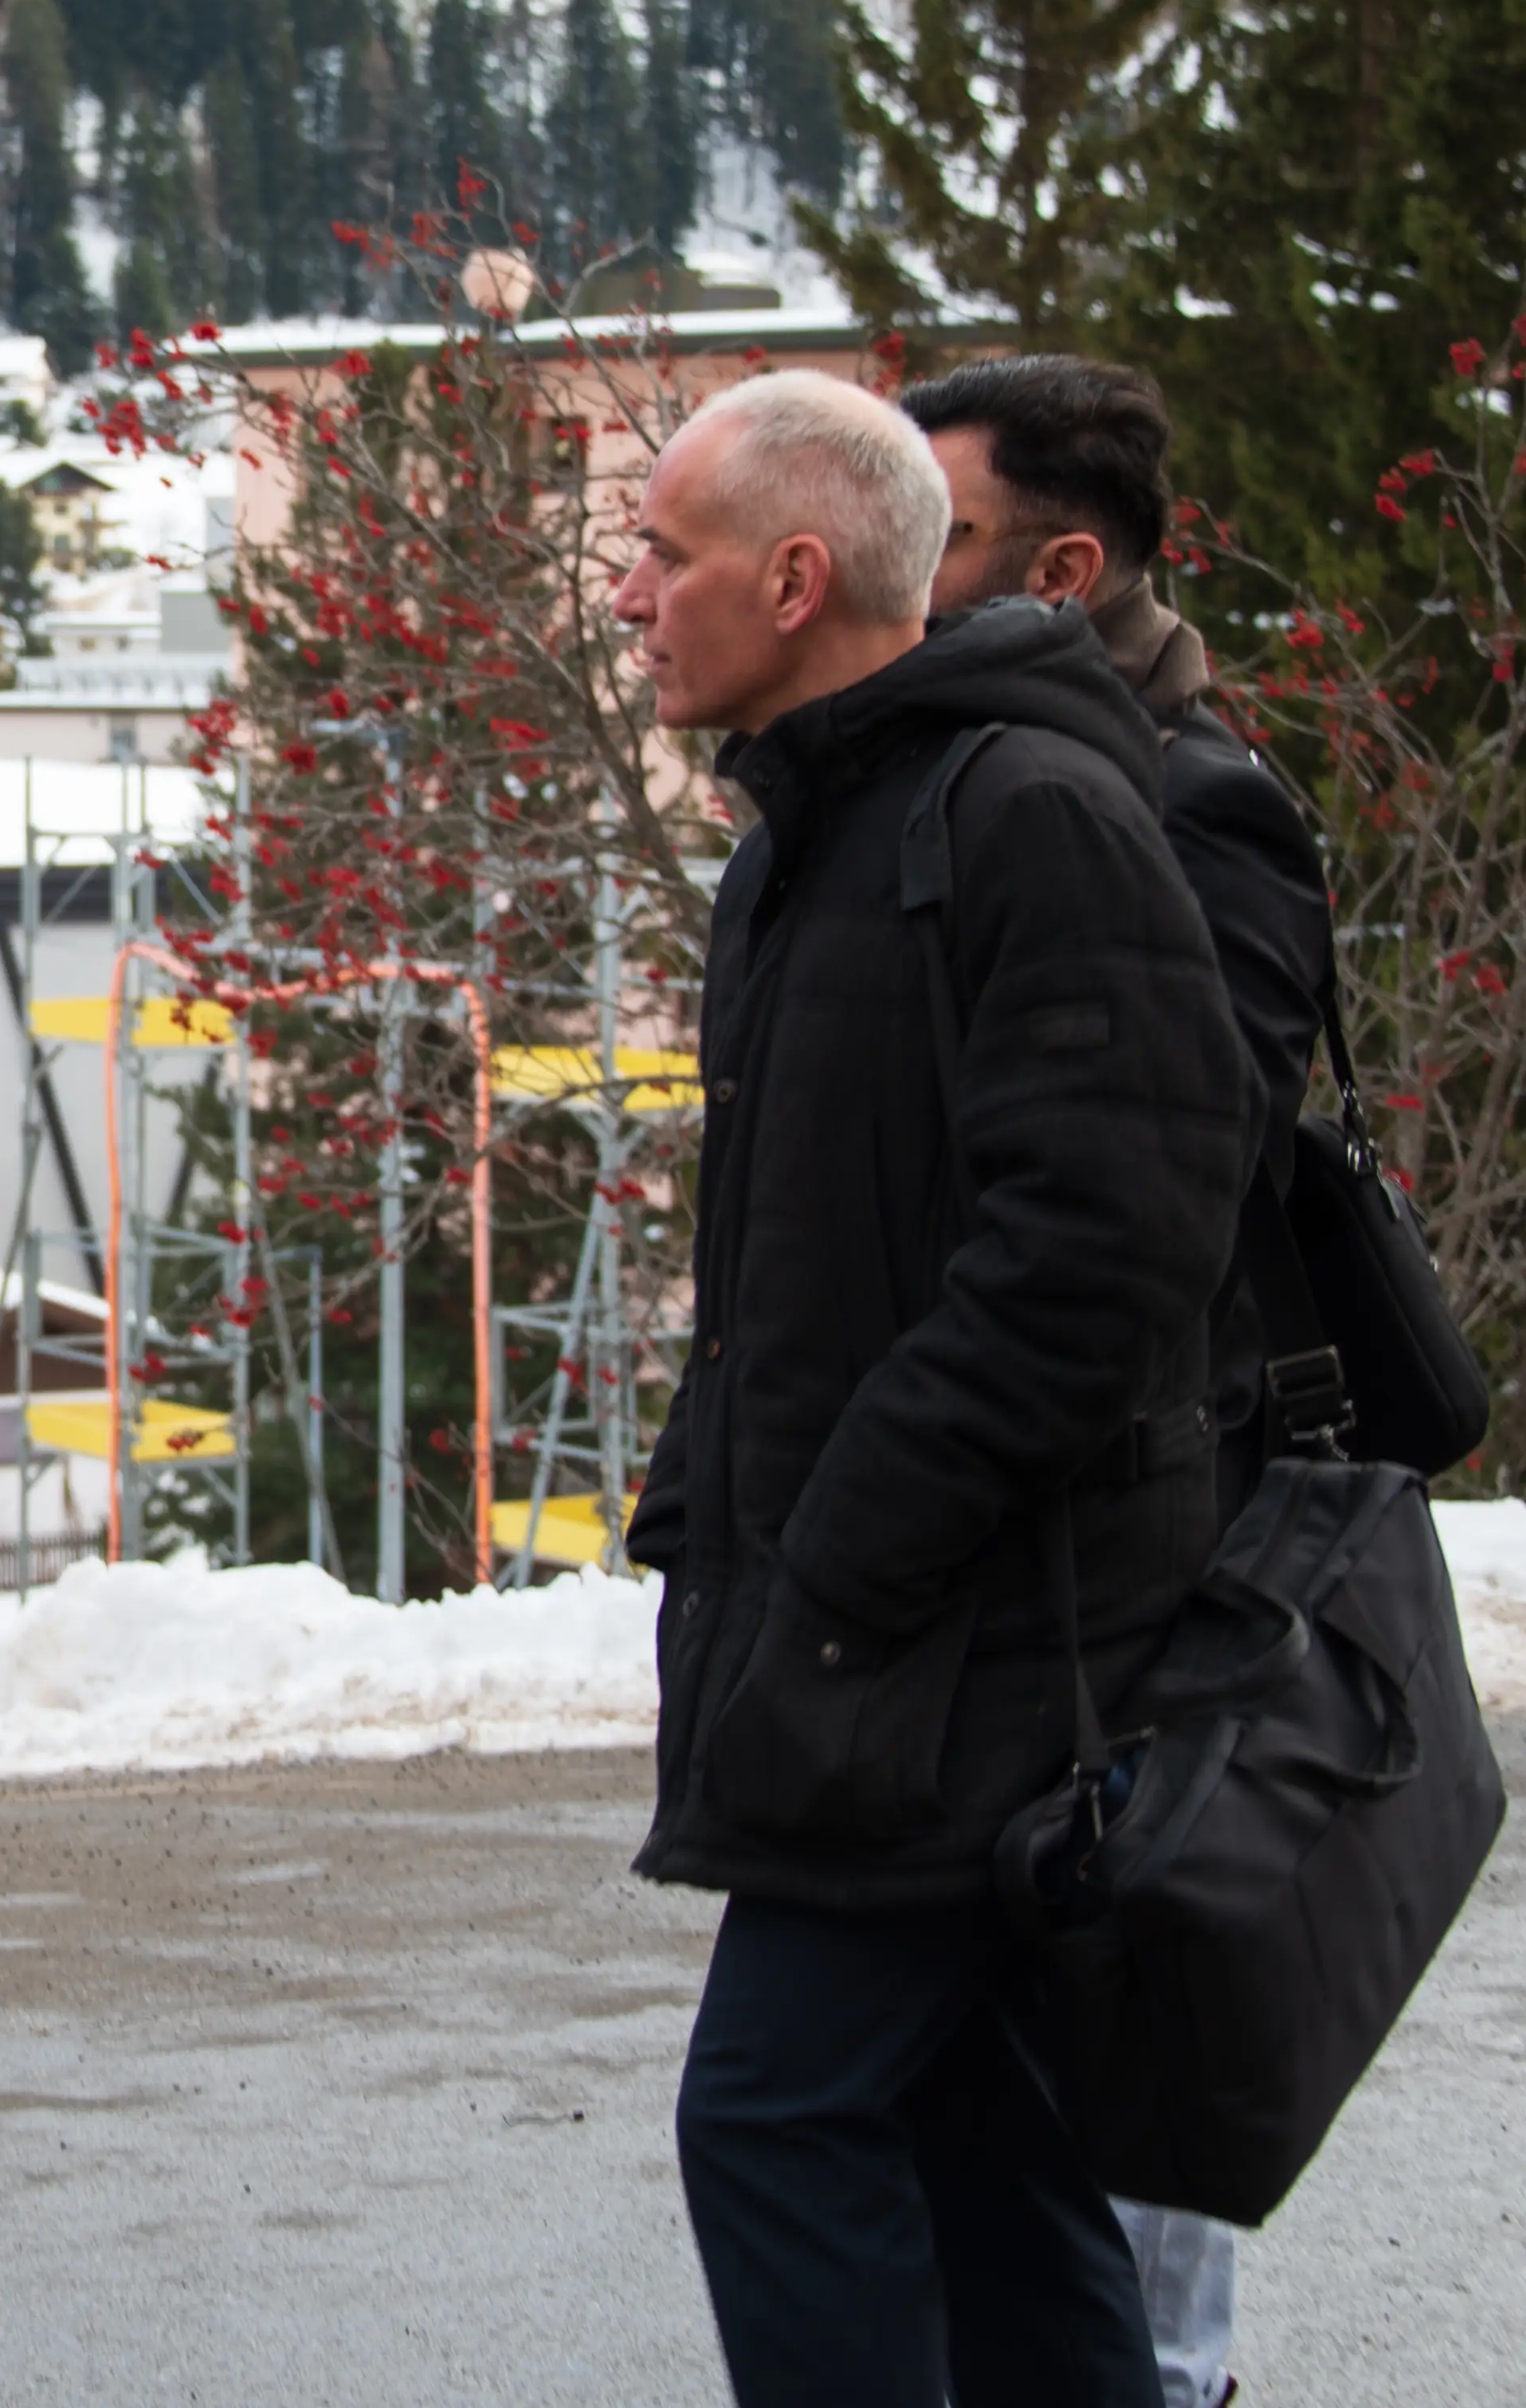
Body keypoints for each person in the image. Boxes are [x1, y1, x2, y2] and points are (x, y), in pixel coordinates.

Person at [607, 370, 1260, 2408]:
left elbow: (1110, 1245)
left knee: (778, 2118)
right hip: (883, 1624)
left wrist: (846, 1543)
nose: (633, 594)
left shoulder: (1028, 815)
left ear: (795, 579)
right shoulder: (812, 836)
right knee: (981, 2144)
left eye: (665, 553)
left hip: (966, 1642)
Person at [900, 352, 1334, 2408]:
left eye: (946, 534)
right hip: (1029, 1512)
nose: (896, 571)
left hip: (1148, 1503)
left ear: (1066, 569)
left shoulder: (1190, 800)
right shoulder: (953, 767)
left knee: (1126, 1989)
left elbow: (1179, 1190)